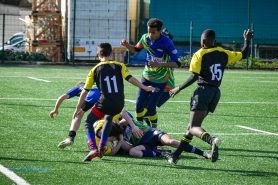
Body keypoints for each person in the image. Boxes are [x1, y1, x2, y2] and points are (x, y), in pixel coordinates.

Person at [163, 29, 254, 165]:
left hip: (203, 92)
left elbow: (194, 76)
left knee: (194, 127)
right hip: (215, 93)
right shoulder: (224, 52)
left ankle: (212, 141)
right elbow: (244, 54)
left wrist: (178, 88)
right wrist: (247, 40)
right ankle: (175, 155)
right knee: (191, 128)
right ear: (215, 41)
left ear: (203, 41)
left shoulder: (199, 54)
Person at [73, 42, 155, 162]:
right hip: (119, 103)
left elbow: (85, 91)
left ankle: (93, 148)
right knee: (108, 119)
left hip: (104, 102)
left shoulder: (94, 69)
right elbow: (130, 79)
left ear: (98, 54)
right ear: (111, 54)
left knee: (88, 122)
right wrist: (145, 87)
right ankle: (101, 149)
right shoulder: (120, 65)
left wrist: (78, 108)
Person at [120, 18, 181, 128]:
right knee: (139, 105)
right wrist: (127, 45)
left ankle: (154, 131)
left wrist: (160, 65)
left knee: (151, 106)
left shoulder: (167, 42)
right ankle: (140, 129)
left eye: (153, 32)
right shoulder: (145, 38)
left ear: (159, 31)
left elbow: (177, 63)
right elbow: (136, 49)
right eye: (149, 31)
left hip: (160, 79)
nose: (150, 35)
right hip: (146, 77)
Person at [118, 111, 212, 159]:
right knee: (133, 152)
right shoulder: (110, 130)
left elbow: (124, 114)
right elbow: (127, 147)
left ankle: (204, 153)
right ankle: (162, 153)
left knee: (171, 142)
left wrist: (130, 126)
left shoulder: (120, 115)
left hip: (150, 133)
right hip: (142, 144)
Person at [49, 82, 100, 149]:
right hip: (104, 95)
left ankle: (71, 137)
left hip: (93, 94)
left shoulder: (79, 87)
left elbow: (61, 97)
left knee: (78, 115)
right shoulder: (94, 85)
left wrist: (55, 109)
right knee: (101, 116)